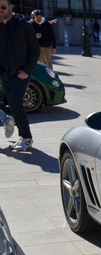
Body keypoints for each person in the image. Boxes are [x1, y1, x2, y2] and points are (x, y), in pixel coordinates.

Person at [0, 0, 40, 151]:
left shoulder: (23, 25)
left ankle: (27, 138)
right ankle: (22, 137)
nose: (1, 10)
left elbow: (35, 50)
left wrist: (27, 70)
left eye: (3, 7)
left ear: (11, 7)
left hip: (20, 73)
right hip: (5, 73)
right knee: (12, 105)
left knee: (16, 104)